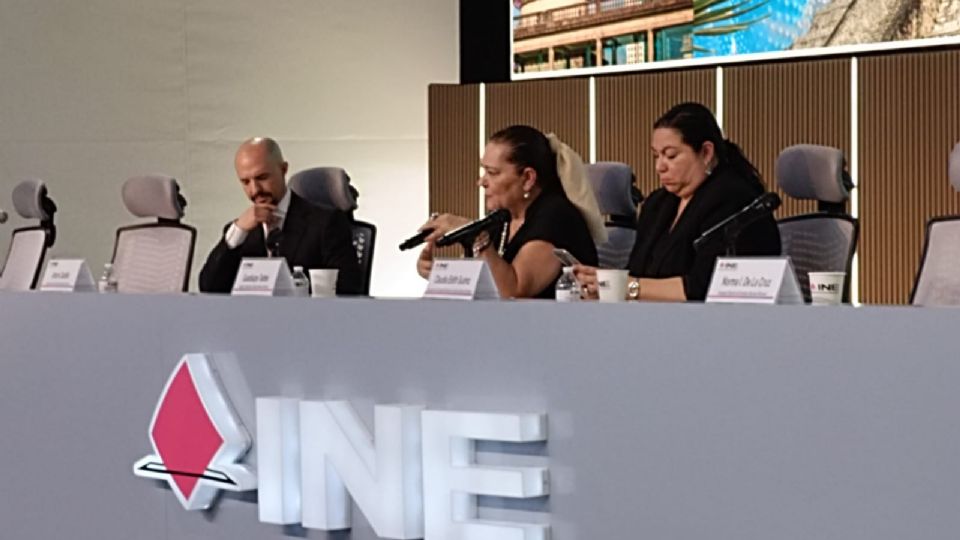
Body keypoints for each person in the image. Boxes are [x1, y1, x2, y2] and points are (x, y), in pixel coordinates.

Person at [575, 102, 781, 301]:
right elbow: (637, 274)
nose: (659, 167)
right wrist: (605, 285)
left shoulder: (735, 201)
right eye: (656, 156)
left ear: (706, 152)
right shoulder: (657, 204)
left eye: (671, 156)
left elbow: (703, 287)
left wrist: (627, 287)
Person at [417, 125, 605, 299]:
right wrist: (442, 275)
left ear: (528, 178)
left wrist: (472, 232)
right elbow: (486, 282)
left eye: (492, 173)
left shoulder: (556, 216)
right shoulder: (503, 218)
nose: (481, 182)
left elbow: (514, 291)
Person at [198, 137, 361, 294]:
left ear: (283, 170)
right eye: (245, 182)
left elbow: (348, 288)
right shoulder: (240, 233)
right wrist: (238, 231)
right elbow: (209, 288)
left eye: (262, 178)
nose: (254, 190)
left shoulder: (326, 223)